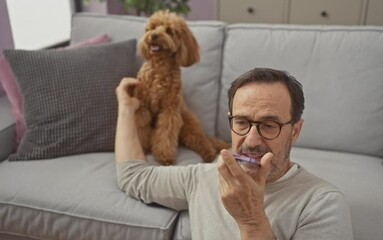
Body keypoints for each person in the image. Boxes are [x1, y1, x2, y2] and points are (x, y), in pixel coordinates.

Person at [115, 68, 353, 240]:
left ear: (295, 131)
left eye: (269, 125)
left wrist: (251, 220)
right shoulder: (203, 177)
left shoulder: (322, 203)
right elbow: (134, 176)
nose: (251, 140)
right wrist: (127, 109)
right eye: (241, 122)